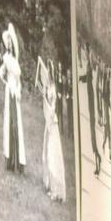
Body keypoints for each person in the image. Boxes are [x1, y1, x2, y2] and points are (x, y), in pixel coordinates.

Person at [38, 57, 67, 201]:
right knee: (47, 152)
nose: (49, 74)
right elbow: (45, 100)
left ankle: (56, 190)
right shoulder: (48, 86)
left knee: (52, 153)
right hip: (48, 121)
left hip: (52, 121)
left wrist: (50, 118)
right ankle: (50, 185)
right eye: (48, 71)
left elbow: (53, 105)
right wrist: (43, 93)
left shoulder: (54, 88)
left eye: (50, 71)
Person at [0, 23, 26, 174]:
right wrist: (2, 76)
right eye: (7, 41)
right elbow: (2, 72)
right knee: (9, 124)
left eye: (10, 41)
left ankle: (18, 162)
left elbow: (18, 79)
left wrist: (19, 90)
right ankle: (10, 161)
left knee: (16, 125)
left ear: (13, 43)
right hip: (8, 91)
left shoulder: (15, 60)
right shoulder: (6, 57)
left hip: (15, 93)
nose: (8, 43)